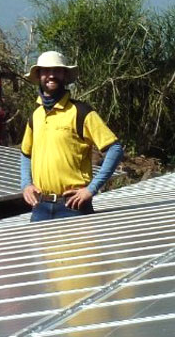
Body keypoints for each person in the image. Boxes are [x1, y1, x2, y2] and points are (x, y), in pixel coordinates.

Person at [20, 51, 123, 221]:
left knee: (79, 249)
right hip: (40, 207)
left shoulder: (81, 112)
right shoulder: (35, 115)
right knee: (39, 249)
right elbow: (26, 153)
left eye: (57, 70)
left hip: (73, 206)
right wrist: (26, 185)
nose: (51, 75)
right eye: (45, 71)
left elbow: (115, 149)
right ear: (38, 76)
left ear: (65, 75)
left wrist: (91, 189)